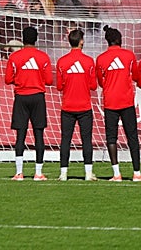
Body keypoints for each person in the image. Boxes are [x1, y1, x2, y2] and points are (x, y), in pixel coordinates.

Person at [95, 26, 141, 182]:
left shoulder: (101, 58)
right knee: (132, 137)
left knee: (111, 138)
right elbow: (137, 76)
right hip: (126, 102)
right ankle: (137, 173)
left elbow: (100, 81)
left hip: (110, 102)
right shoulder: (128, 56)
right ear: (119, 40)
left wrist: (111, 85)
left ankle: (116, 173)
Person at [4, 25, 53, 181]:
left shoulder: (14, 57)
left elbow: (7, 79)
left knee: (20, 135)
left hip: (21, 97)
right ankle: (38, 173)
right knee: (39, 134)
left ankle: (19, 172)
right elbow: (49, 80)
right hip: (38, 97)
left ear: (22, 39)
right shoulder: (43, 57)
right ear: (36, 39)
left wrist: (21, 78)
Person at [56, 28, 98, 181]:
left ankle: (63, 173)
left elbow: (59, 86)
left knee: (65, 139)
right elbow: (93, 85)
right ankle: (88, 173)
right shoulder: (88, 61)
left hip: (67, 106)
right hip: (84, 107)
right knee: (86, 140)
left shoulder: (62, 62)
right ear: (81, 42)